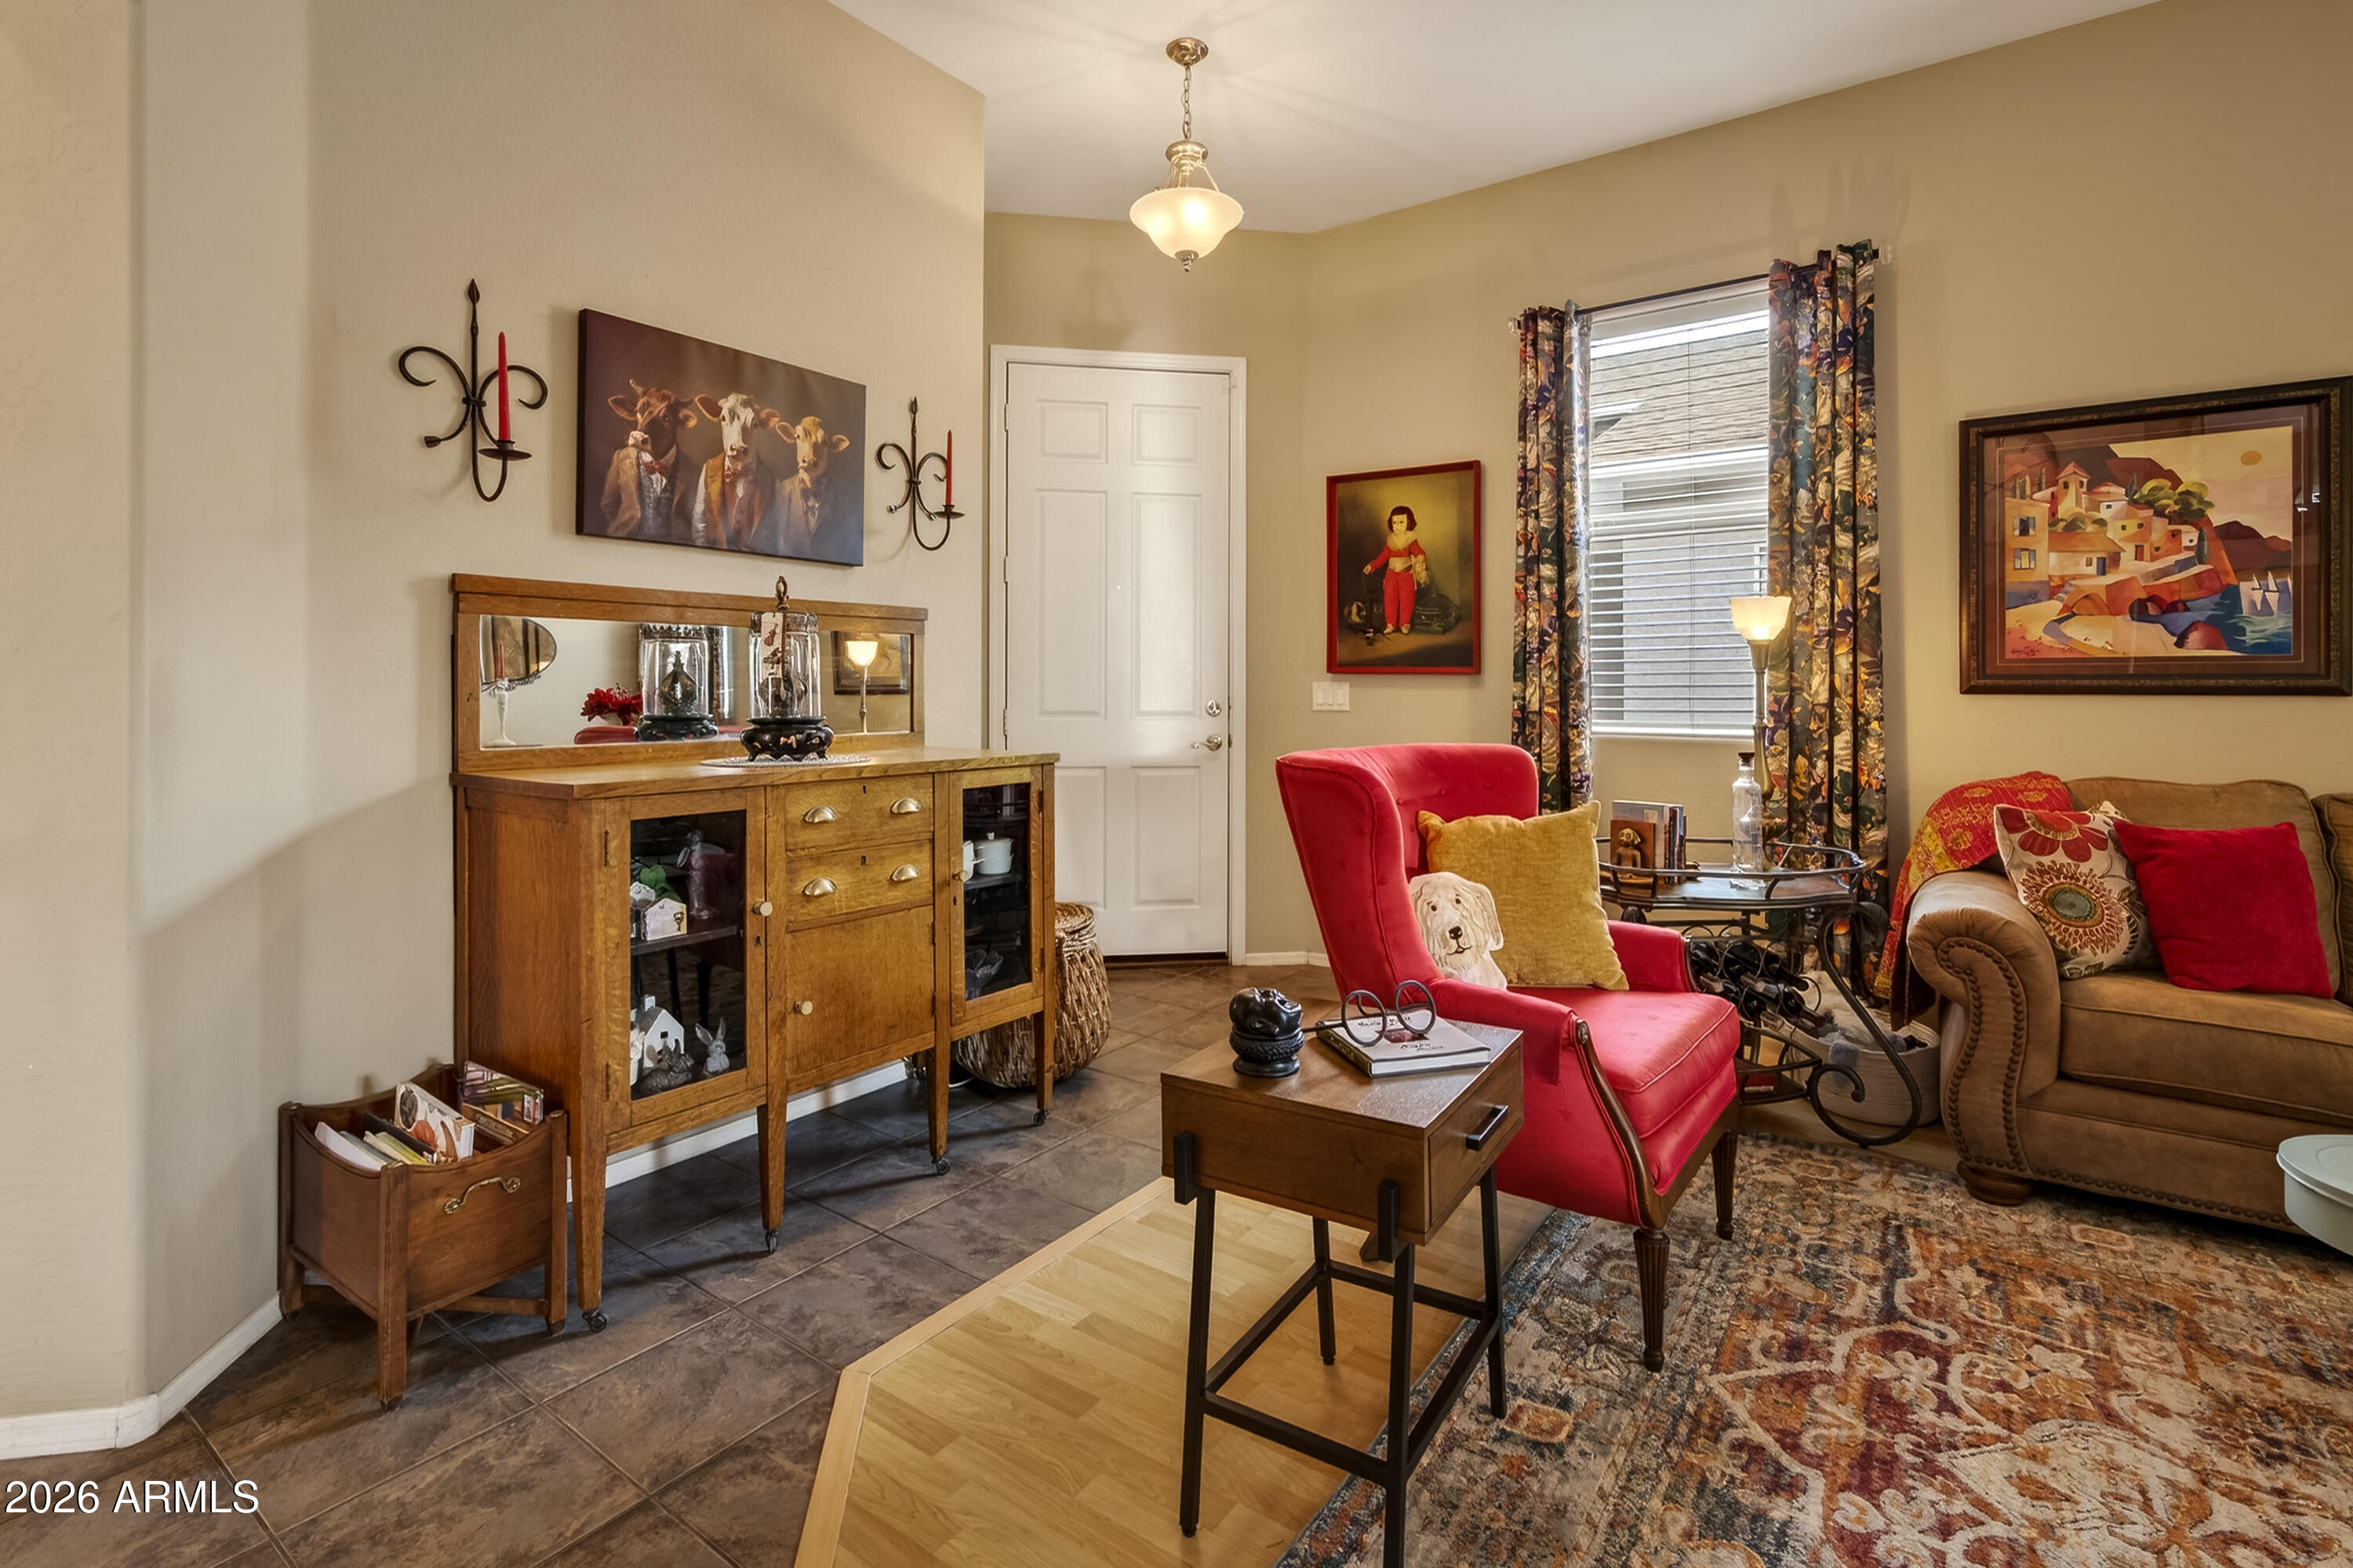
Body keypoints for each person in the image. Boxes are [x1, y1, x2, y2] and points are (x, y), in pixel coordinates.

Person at [1361, 504, 1430, 633]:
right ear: (1391, 523)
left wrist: (1420, 560)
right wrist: (1372, 566)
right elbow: (1382, 557)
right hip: (1391, 574)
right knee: (1390, 598)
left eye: (1401, 522)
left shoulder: (1411, 540)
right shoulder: (1391, 541)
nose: (1397, 526)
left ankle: (1404, 623)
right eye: (1394, 522)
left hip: (1406, 574)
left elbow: (1420, 553)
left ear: (1409, 523)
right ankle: (1391, 624)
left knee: (1407, 599)